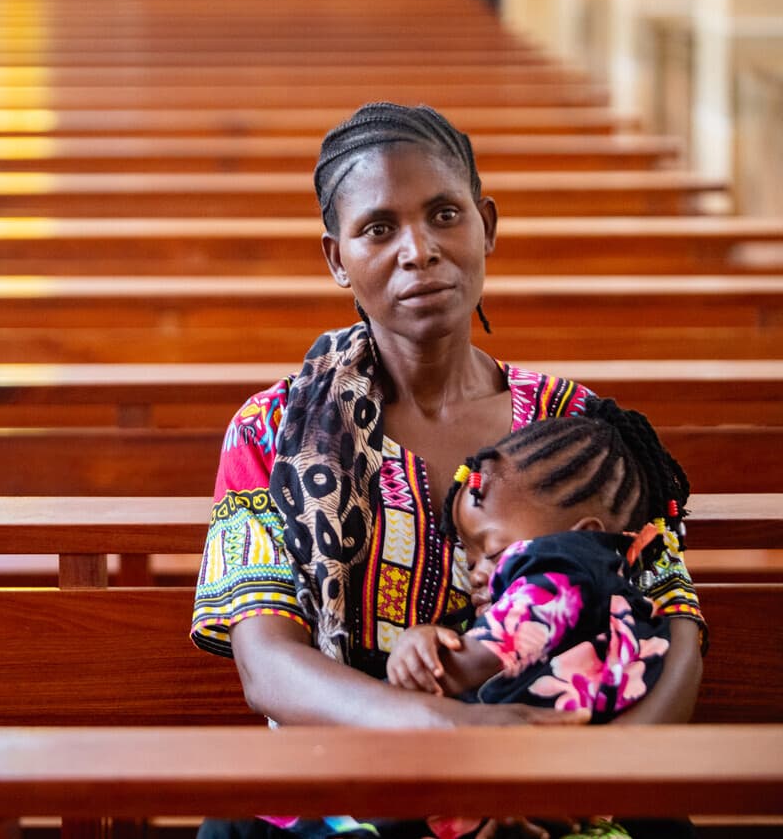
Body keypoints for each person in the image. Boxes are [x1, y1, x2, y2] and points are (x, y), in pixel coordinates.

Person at [189, 103, 705, 839]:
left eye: (443, 215)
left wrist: (594, 771)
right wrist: (455, 734)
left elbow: (675, 627)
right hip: (351, 779)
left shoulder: (577, 428)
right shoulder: (271, 433)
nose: (419, 250)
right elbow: (267, 664)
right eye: (378, 228)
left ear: (486, 225)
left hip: (568, 769)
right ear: (337, 258)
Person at [384, 398, 698, 839]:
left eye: (490, 551)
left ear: (584, 537)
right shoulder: (619, 601)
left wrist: (413, 652)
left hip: (551, 798)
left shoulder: (559, 571)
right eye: (468, 556)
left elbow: (454, 672)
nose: (474, 572)